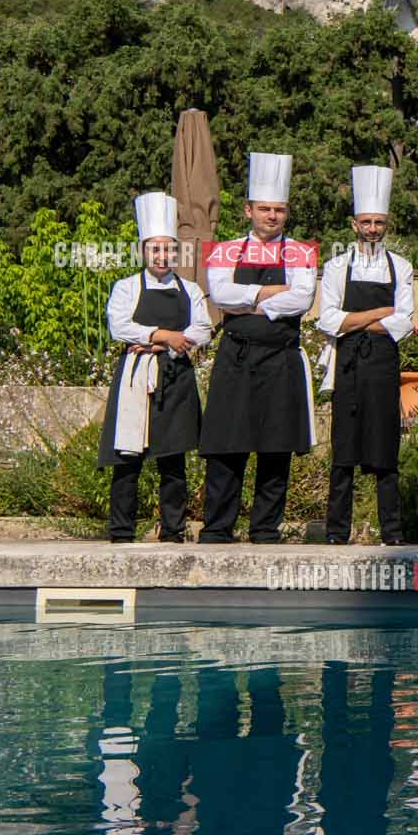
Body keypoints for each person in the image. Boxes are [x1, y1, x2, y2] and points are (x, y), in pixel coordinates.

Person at [197, 152, 317, 545]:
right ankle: (217, 528)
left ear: (286, 213)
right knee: (225, 445)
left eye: (278, 210)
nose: (272, 216)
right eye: (265, 209)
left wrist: (248, 300)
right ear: (249, 210)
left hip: (281, 357)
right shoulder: (224, 251)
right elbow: (221, 295)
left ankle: (265, 528)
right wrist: (271, 293)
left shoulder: (301, 252)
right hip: (236, 356)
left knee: (276, 446)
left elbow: (302, 300)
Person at [99, 192, 209, 543]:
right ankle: (121, 531)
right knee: (126, 459)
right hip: (135, 377)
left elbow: (202, 330)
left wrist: (161, 344)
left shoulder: (190, 289)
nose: (162, 256)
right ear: (143, 251)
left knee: (173, 461)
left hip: (176, 377)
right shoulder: (126, 288)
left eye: (168, 249)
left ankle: (173, 530)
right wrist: (165, 335)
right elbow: (119, 326)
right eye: (155, 249)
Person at [315, 165, 413, 545]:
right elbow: (328, 320)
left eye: (379, 222)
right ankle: (336, 532)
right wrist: (379, 314)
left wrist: (353, 320)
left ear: (386, 224)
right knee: (343, 450)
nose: (373, 228)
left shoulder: (401, 267)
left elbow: (404, 322)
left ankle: (392, 532)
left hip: (384, 367)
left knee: (385, 449)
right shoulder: (337, 266)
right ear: (354, 224)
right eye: (367, 222)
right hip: (348, 366)